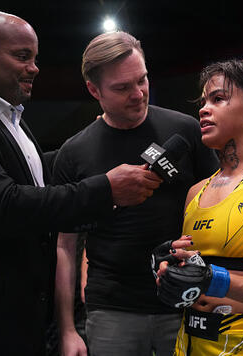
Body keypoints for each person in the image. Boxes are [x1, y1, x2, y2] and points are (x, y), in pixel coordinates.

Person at [0, 11, 162, 356]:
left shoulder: (10, 118)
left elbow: (32, 174)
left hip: (26, 312)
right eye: (22, 56)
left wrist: (93, 145)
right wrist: (105, 187)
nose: (34, 68)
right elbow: (3, 204)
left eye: (35, 58)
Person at [54, 31, 219, 356]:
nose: (138, 93)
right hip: (112, 308)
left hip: (185, 298)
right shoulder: (73, 154)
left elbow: (218, 206)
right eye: (122, 87)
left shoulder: (185, 130)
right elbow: (65, 245)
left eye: (142, 80)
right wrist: (67, 330)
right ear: (93, 89)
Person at [153, 57, 243, 355]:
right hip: (187, 344)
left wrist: (216, 279)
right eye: (203, 101)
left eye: (218, 99)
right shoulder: (194, 192)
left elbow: (212, 276)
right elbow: (195, 275)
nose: (203, 109)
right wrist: (169, 267)